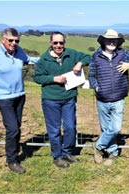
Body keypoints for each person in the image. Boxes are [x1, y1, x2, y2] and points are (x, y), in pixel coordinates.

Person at [0, 28, 39, 174]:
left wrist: (48, 59)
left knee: (17, 127)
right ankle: (12, 160)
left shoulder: (19, 51)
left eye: (17, 40)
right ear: (3, 39)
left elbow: (29, 59)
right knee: (13, 128)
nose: (14, 43)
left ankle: (14, 153)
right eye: (11, 40)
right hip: (3, 98)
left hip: (20, 96)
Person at [33, 31, 90, 168]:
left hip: (69, 98)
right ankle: (57, 156)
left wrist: (80, 63)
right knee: (54, 130)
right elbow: (37, 77)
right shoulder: (44, 59)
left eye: (61, 43)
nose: (58, 45)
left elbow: (89, 57)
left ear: (64, 43)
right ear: (50, 43)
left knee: (70, 127)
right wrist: (54, 79)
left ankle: (67, 152)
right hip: (51, 99)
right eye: (55, 43)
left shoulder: (71, 54)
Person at [89, 29, 129, 165]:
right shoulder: (96, 56)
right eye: (109, 40)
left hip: (119, 97)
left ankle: (98, 146)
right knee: (106, 129)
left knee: (116, 128)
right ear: (104, 41)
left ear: (118, 42)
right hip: (102, 98)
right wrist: (96, 86)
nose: (112, 42)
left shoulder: (123, 54)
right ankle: (112, 152)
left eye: (114, 40)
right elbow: (92, 75)